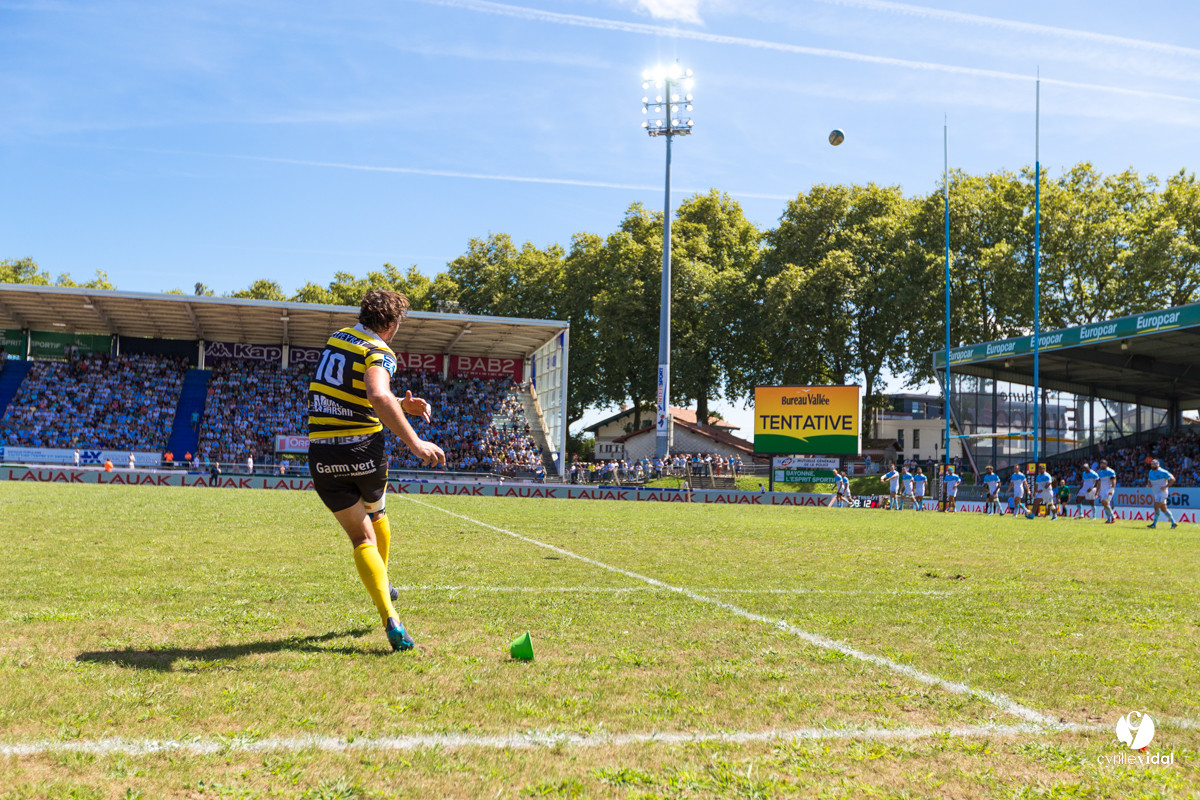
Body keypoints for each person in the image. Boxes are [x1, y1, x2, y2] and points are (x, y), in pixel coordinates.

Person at [308, 289, 445, 652]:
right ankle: (386, 597)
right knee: (377, 514)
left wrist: (401, 403)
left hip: (323, 451)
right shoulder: (379, 351)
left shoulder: (338, 337)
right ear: (390, 323)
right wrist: (415, 442)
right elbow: (376, 394)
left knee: (360, 538)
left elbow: (347, 390)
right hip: (363, 450)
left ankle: (389, 614)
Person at [1146, 459, 1177, 529]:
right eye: (1152, 464)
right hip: (1156, 493)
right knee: (1164, 509)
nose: (1152, 466)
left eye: (1154, 465)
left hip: (1162, 493)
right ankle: (1173, 522)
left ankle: (1154, 524)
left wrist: (1166, 486)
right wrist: (1149, 484)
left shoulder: (1163, 472)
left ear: (1157, 465)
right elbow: (1149, 480)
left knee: (1156, 506)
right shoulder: (1150, 472)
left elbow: (1173, 479)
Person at [1096, 459, 1117, 524]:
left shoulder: (1110, 471)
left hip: (1108, 489)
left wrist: (1112, 489)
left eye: (1102, 464)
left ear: (1105, 464)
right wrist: (1097, 491)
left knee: (1105, 502)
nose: (1101, 465)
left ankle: (1113, 516)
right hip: (1102, 490)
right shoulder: (1100, 473)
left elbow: (1114, 480)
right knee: (1104, 504)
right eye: (1100, 464)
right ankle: (1109, 519)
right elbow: (1099, 482)